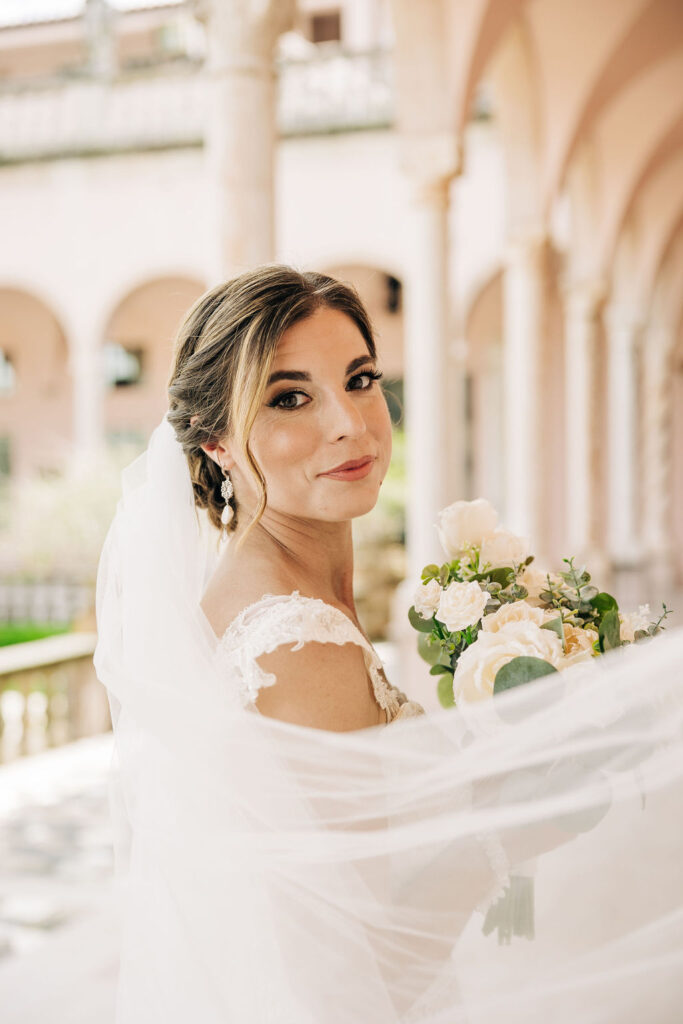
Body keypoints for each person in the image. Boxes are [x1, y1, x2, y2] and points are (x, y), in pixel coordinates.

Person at [94, 264, 683, 1023]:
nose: (349, 422)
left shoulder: (277, 596)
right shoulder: (297, 643)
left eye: (361, 378)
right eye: (289, 397)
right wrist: (520, 826)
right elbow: (360, 964)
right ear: (216, 443)